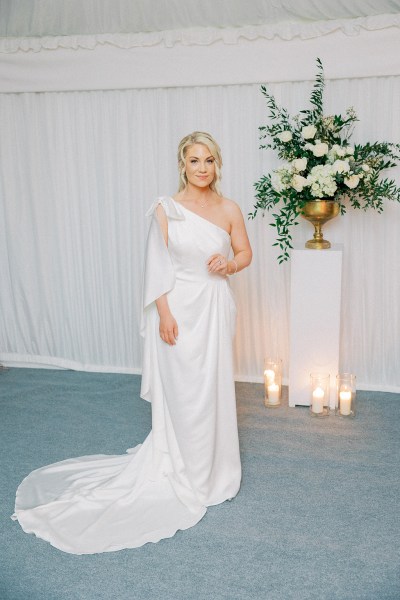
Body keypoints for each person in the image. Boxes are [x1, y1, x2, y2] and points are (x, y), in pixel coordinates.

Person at [11, 131, 252, 554]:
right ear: (182, 164)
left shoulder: (229, 208)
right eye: (194, 160)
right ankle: (180, 466)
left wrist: (229, 264)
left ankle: (212, 469)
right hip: (178, 309)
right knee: (181, 392)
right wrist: (164, 313)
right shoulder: (165, 209)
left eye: (209, 160)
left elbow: (246, 253)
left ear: (217, 164)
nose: (202, 168)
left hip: (213, 307)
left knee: (211, 388)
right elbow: (155, 264)